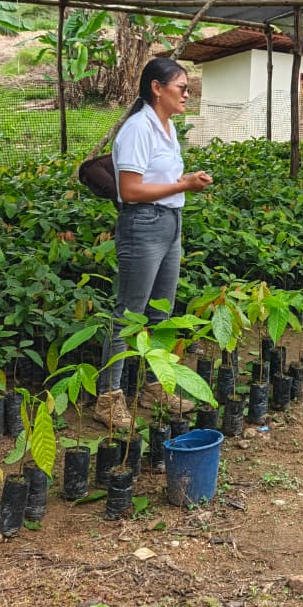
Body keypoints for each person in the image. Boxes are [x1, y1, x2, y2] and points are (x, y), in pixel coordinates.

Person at [96, 57, 213, 430]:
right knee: (128, 313)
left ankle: (153, 386)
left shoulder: (167, 127)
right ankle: (108, 398)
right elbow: (130, 190)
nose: (187, 94)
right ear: (157, 88)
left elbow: (159, 179)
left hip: (169, 222)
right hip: (143, 224)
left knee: (161, 311)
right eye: (182, 88)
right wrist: (182, 185)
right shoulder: (137, 129)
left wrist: (185, 181)